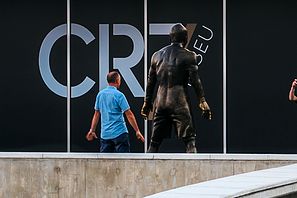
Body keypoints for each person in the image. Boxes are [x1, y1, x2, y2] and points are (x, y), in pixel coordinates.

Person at [141, 22, 211, 153]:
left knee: (154, 143)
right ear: (185, 39)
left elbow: (151, 82)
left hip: (161, 102)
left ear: (170, 38)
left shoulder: (156, 55)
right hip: (179, 101)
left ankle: (145, 172)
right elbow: (196, 81)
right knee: (190, 141)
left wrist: (147, 102)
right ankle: (194, 171)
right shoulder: (189, 56)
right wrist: (202, 100)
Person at [86, 70, 145, 153]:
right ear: (117, 81)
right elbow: (129, 115)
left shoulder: (100, 94)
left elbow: (96, 114)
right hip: (120, 133)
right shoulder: (119, 95)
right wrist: (137, 131)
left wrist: (92, 130)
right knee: (123, 161)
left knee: (105, 162)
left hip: (105, 134)